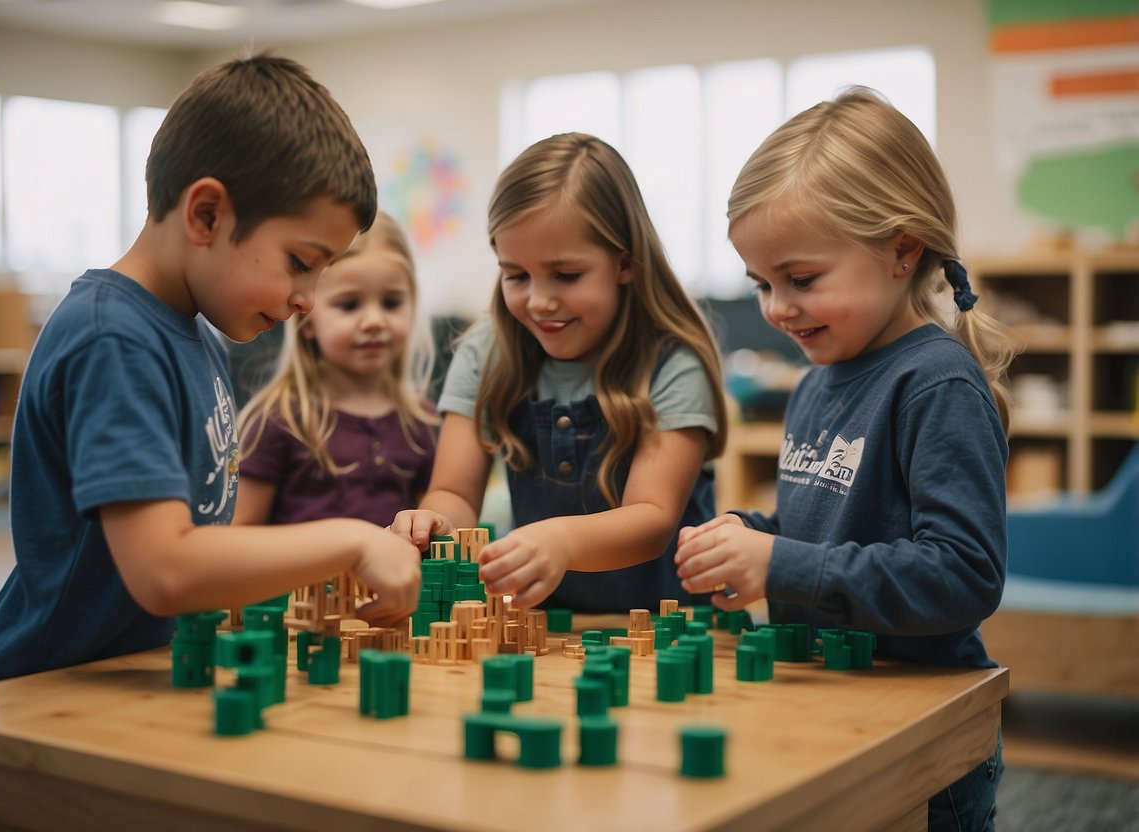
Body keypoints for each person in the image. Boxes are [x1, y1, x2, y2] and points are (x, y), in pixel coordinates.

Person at [0, 53, 421, 689]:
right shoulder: (111, 339)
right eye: (299, 262)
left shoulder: (200, 330)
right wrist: (351, 541)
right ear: (206, 215)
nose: (307, 298)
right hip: (46, 688)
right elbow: (165, 567)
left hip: (134, 673)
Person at [674, 88, 1014, 830]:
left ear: (901, 248)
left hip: (924, 727)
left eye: (800, 280)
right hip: (837, 704)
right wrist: (745, 535)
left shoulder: (935, 383)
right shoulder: (813, 380)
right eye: (761, 284)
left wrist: (779, 562)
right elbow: (827, 524)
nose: (774, 308)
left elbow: (962, 575)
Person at [392, 132, 728, 611]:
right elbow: (453, 491)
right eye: (516, 275)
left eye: (566, 276)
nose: (539, 301)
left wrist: (560, 541)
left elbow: (652, 518)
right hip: (544, 628)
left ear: (625, 264)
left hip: (664, 628)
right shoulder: (487, 353)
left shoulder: (671, 365)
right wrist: (432, 521)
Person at [234, 211, 438, 528]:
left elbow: (432, 531)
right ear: (307, 320)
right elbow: (238, 538)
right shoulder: (279, 420)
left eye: (391, 303)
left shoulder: (421, 422)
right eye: (349, 305)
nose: (374, 321)